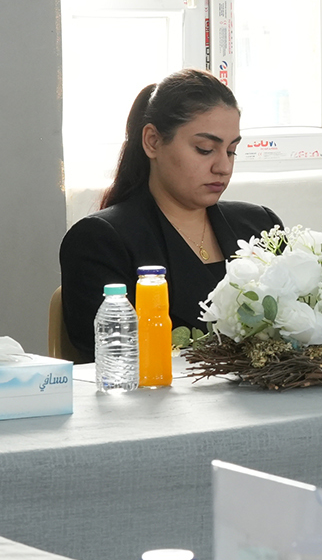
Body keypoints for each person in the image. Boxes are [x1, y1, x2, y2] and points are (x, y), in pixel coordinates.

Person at [60, 71, 282, 362]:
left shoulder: (260, 226)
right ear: (152, 141)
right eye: (205, 149)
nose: (223, 167)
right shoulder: (101, 241)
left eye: (231, 151)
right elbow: (117, 360)